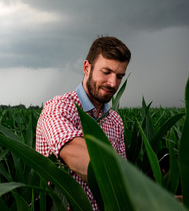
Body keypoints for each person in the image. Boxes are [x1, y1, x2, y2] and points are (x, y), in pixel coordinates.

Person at [36, 36, 131, 210]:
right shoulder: (58, 109)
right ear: (87, 68)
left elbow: (121, 170)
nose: (113, 83)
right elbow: (82, 159)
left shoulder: (115, 121)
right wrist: (144, 191)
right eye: (106, 72)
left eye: (119, 76)